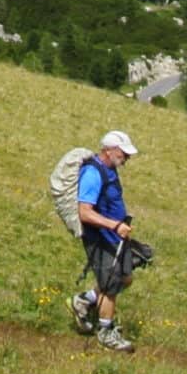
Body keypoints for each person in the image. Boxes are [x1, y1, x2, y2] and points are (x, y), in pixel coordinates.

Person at [70, 130, 153, 354]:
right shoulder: (93, 174)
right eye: (124, 153)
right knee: (111, 285)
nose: (127, 158)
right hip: (101, 238)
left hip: (116, 237)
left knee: (125, 279)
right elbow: (84, 213)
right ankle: (106, 333)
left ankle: (84, 301)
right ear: (109, 150)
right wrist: (114, 225)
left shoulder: (110, 170)